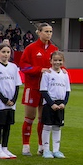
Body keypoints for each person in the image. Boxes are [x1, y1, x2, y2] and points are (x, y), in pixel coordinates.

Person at [19, 23, 59, 156]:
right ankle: (26, 146)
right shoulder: (31, 48)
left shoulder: (54, 49)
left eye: (50, 31)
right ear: (39, 32)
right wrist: (38, 70)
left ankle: (41, 146)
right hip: (33, 87)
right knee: (30, 117)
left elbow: (57, 65)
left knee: (43, 119)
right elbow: (23, 66)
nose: (49, 34)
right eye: (46, 31)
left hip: (47, 89)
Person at [0, 43, 22, 159]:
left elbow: (17, 85)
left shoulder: (13, 67)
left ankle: (5, 148)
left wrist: (13, 100)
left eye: (8, 52)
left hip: (11, 103)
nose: (6, 54)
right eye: (3, 52)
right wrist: (4, 100)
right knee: (0, 125)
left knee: (8, 125)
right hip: (0, 102)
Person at [40, 51, 71, 159]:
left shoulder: (65, 74)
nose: (57, 62)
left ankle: (56, 150)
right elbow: (43, 90)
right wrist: (51, 103)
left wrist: (64, 103)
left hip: (60, 104)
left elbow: (67, 91)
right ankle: (46, 150)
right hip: (49, 104)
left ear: (63, 61)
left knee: (57, 127)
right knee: (47, 126)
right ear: (51, 61)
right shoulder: (47, 73)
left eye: (60, 60)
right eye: (55, 60)